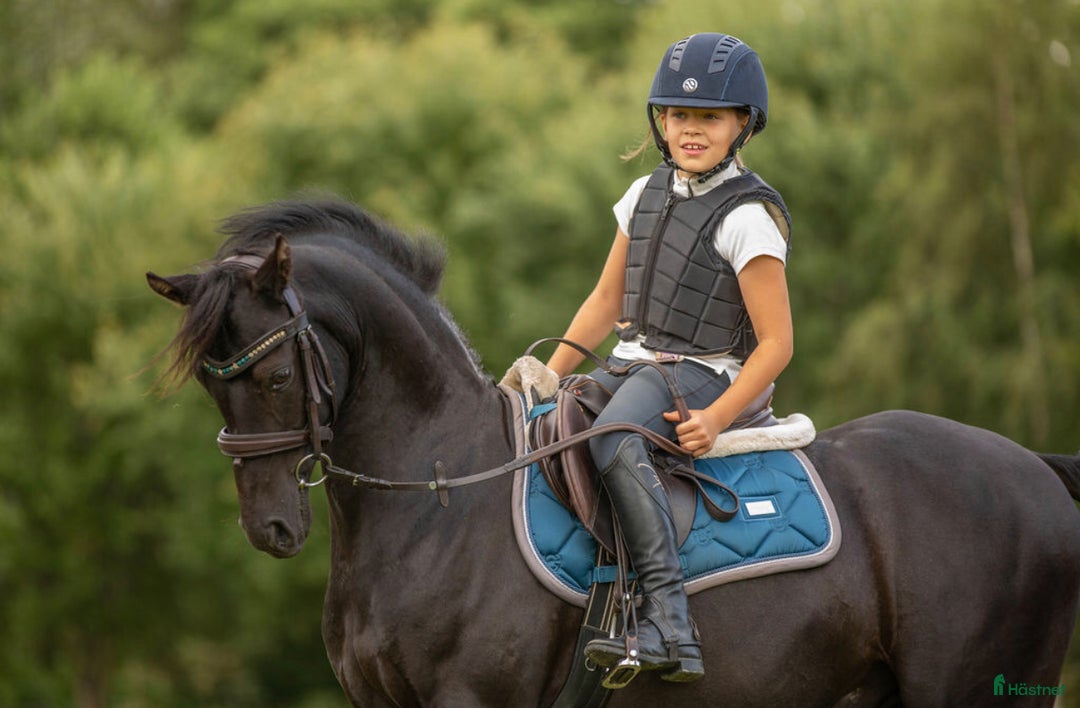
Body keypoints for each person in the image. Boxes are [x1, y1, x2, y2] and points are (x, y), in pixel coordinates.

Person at [545, 33, 793, 682]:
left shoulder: (749, 219)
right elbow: (604, 301)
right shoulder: (643, 194)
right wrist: (548, 373)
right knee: (545, 426)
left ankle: (670, 626)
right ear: (661, 120)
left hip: (705, 373)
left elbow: (776, 345)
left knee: (611, 440)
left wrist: (716, 420)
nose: (691, 129)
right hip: (635, 363)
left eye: (710, 117)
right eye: (680, 115)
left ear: (743, 124)